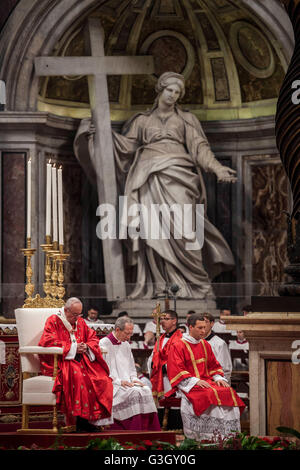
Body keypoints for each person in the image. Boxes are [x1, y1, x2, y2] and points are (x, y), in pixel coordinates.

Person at [74, 71, 236, 299]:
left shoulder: (186, 119)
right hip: (146, 178)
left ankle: (196, 285)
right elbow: (125, 148)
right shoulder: (141, 120)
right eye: (170, 90)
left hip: (179, 176)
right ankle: (159, 286)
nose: (173, 95)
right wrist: (100, 134)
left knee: (185, 231)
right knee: (151, 231)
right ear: (160, 90)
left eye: (177, 92)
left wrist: (218, 168)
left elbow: (200, 149)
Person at [38, 297, 113, 432]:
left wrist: (86, 346)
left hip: (81, 361)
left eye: (80, 314)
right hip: (61, 362)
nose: (77, 318)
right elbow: (47, 341)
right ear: (66, 310)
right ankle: (79, 422)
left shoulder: (80, 322)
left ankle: (92, 420)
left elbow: (93, 338)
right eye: (74, 315)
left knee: (102, 378)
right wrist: (73, 348)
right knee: (79, 377)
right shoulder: (54, 321)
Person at [166, 313, 245, 441]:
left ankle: (228, 435)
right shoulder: (178, 345)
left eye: (204, 327)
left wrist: (219, 378)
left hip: (206, 381)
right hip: (188, 383)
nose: (203, 331)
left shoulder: (205, 344)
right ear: (190, 327)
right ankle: (207, 436)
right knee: (209, 394)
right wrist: (195, 381)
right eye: (200, 328)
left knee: (227, 391)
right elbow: (176, 369)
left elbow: (214, 365)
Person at [99, 316, 160, 430]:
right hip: (113, 384)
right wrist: (119, 381)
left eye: (131, 333)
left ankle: (149, 430)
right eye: (127, 333)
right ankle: (134, 430)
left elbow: (131, 367)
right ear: (117, 330)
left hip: (128, 383)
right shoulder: (103, 344)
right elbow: (103, 371)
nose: (129, 337)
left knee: (146, 390)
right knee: (135, 393)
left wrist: (135, 379)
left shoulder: (125, 344)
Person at [148, 309, 183, 429]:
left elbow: (181, 359)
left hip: (173, 378)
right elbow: (153, 357)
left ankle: (176, 431)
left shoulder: (181, 338)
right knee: (160, 406)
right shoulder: (160, 338)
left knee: (174, 406)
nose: (162, 322)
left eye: (166, 319)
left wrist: (166, 367)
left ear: (174, 321)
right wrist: (153, 365)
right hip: (160, 378)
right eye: (162, 319)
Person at [202, 312, 232, 383]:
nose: (203, 325)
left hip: (215, 380)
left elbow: (225, 368)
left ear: (212, 324)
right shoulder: (195, 341)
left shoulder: (220, 343)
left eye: (205, 322)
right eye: (201, 322)